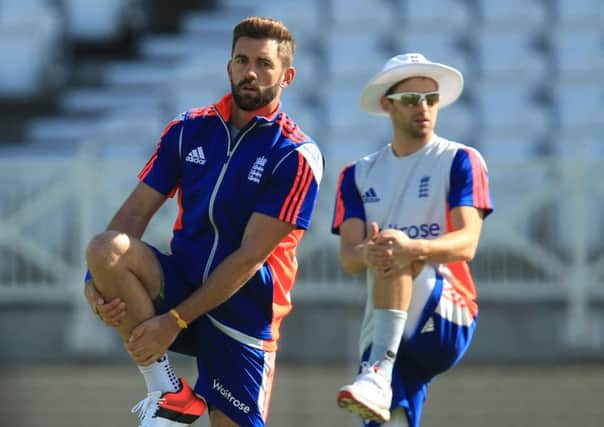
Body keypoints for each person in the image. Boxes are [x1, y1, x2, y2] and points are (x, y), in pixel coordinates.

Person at [83, 16, 324, 427]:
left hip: (245, 313)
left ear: (288, 76)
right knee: (106, 249)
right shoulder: (187, 129)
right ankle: (167, 391)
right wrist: (95, 283)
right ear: (229, 66)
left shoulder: (296, 155)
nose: (250, 72)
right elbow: (134, 214)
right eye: (242, 60)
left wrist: (174, 322)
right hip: (180, 284)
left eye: (264, 64)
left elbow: (249, 258)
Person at [331, 53, 493, 427]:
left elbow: (467, 243)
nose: (423, 107)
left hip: (449, 310)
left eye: (431, 98)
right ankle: (379, 379)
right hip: (388, 317)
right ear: (387, 104)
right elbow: (350, 258)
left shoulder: (460, 159)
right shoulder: (356, 175)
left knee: (391, 247)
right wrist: (369, 253)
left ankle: (377, 372)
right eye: (410, 99)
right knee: (382, 417)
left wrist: (406, 248)